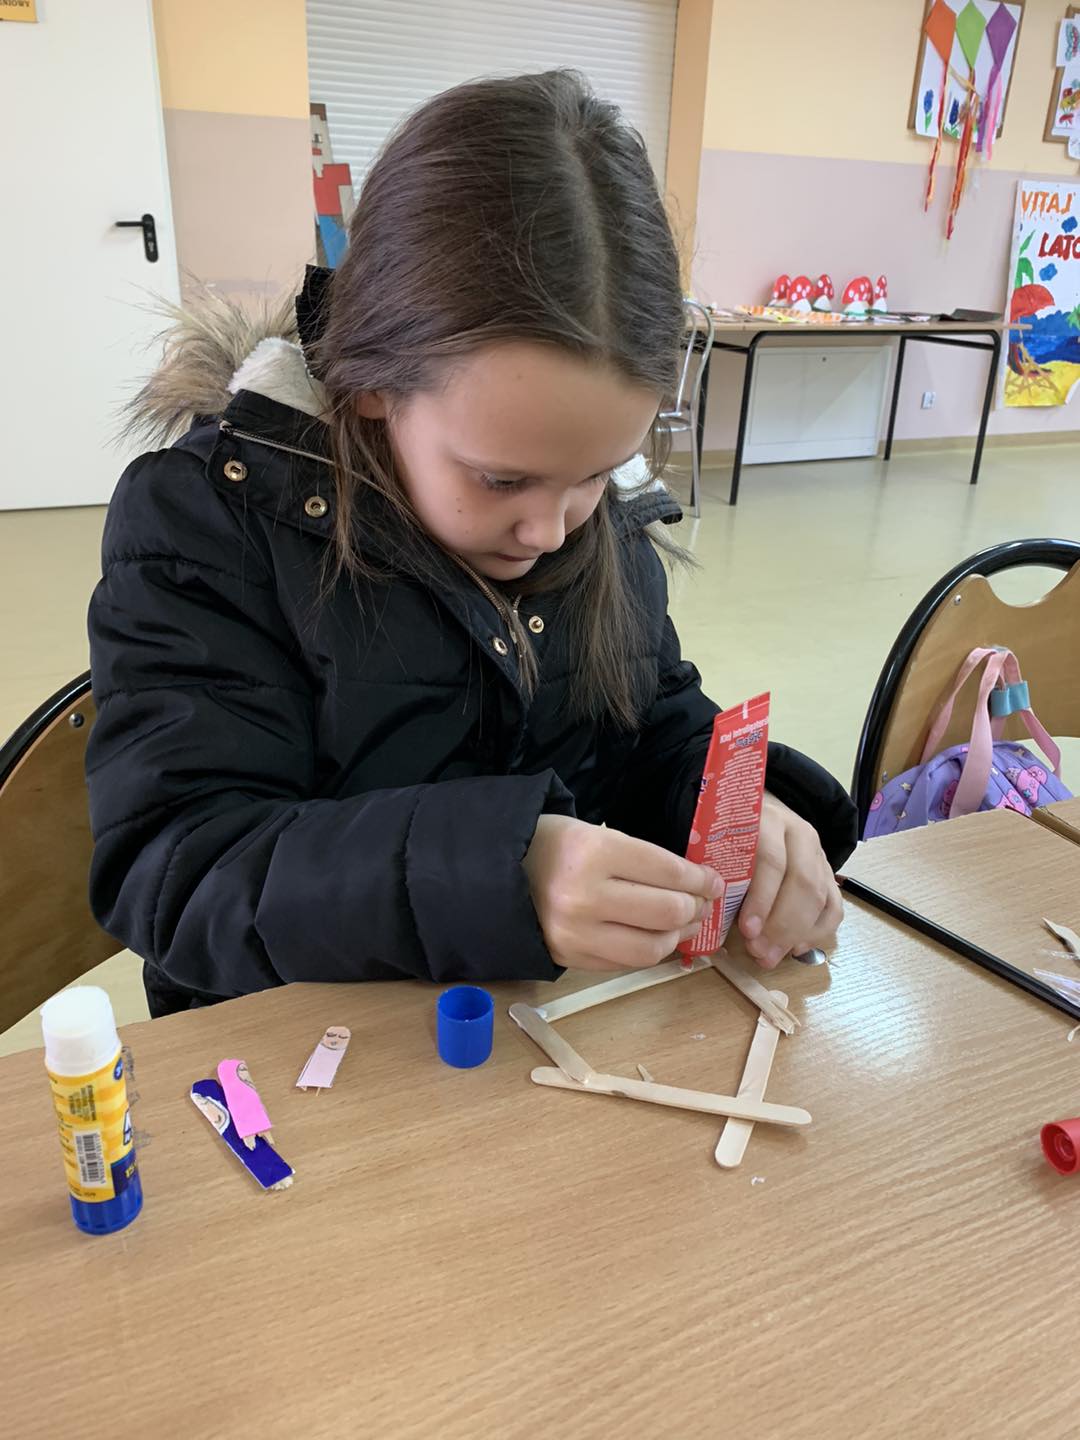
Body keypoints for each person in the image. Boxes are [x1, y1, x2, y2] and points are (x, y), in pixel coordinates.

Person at [87, 71, 857, 1018]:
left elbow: (642, 718)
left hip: (517, 1028)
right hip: (288, 1055)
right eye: (500, 480)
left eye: (597, 472)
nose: (551, 528)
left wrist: (734, 810)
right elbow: (176, 869)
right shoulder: (207, 522)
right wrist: (498, 871)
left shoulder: (586, 509)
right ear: (373, 379)